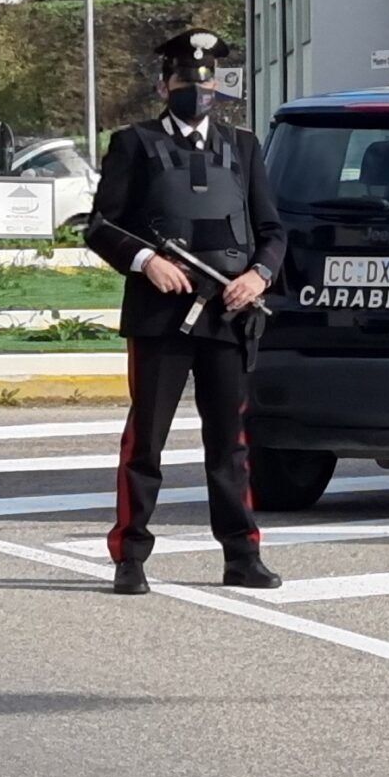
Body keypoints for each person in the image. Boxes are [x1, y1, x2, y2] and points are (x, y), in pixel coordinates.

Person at [87, 29, 287, 595]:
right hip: (160, 315)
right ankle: (130, 556)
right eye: (185, 81)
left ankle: (242, 555)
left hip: (227, 313)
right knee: (146, 439)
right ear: (163, 85)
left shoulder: (243, 147)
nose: (197, 91)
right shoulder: (134, 143)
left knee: (229, 442)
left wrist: (258, 275)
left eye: (207, 82)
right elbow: (100, 226)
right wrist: (147, 260)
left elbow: (272, 230)